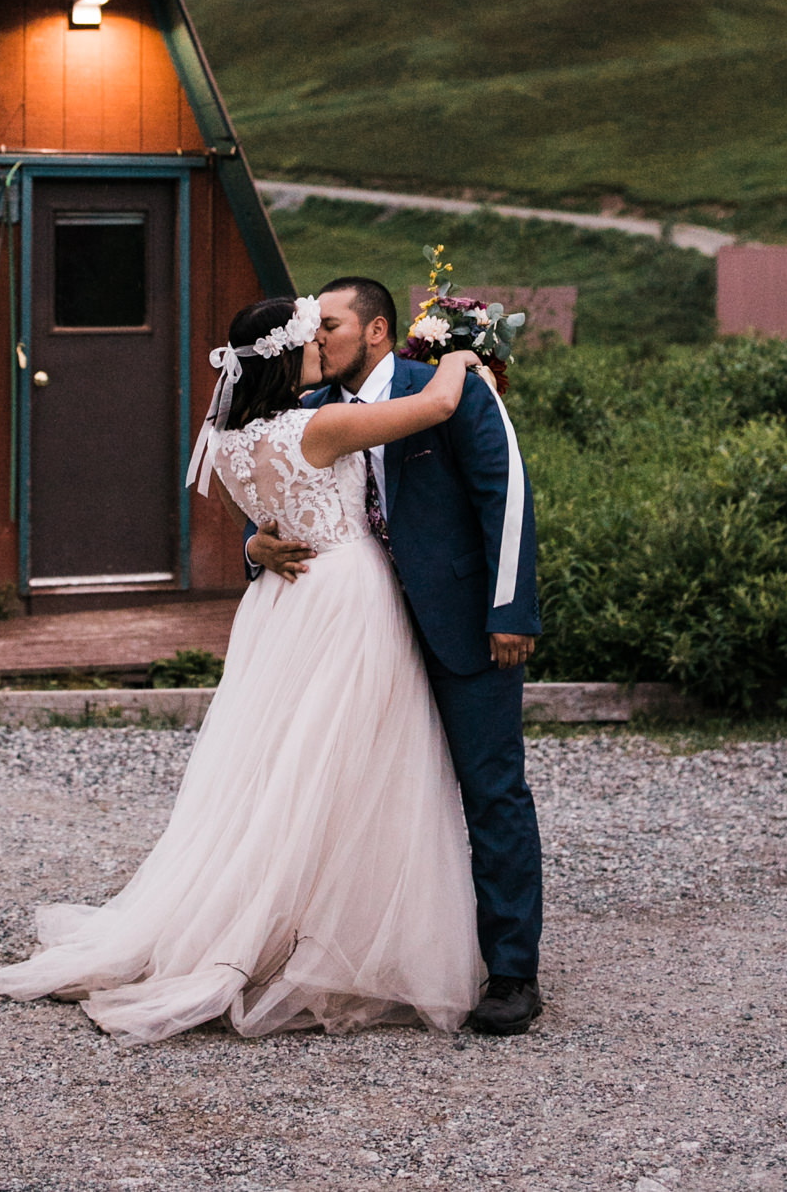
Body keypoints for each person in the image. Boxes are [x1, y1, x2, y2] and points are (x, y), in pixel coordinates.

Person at [0, 295, 485, 1043]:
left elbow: (266, 522)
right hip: (343, 597)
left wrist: (252, 549)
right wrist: (463, 355)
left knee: (277, 771)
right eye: (310, 342)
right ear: (285, 356)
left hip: (281, 606)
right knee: (351, 765)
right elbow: (437, 405)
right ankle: (320, 937)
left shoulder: (226, 438)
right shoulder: (322, 424)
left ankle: (278, 923)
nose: (320, 351)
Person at [248, 277, 544, 1037]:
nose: (318, 338)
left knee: (491, 790)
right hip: (362, 639)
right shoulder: (311, 411)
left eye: (332, 325)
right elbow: (275, 496)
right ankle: (369, 955)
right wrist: (254, 548)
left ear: (376, 331)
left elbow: (503, 493)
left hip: (459, 626)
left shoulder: (446, 386)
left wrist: (509, 608)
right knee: (358, 798)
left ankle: (511, 972)